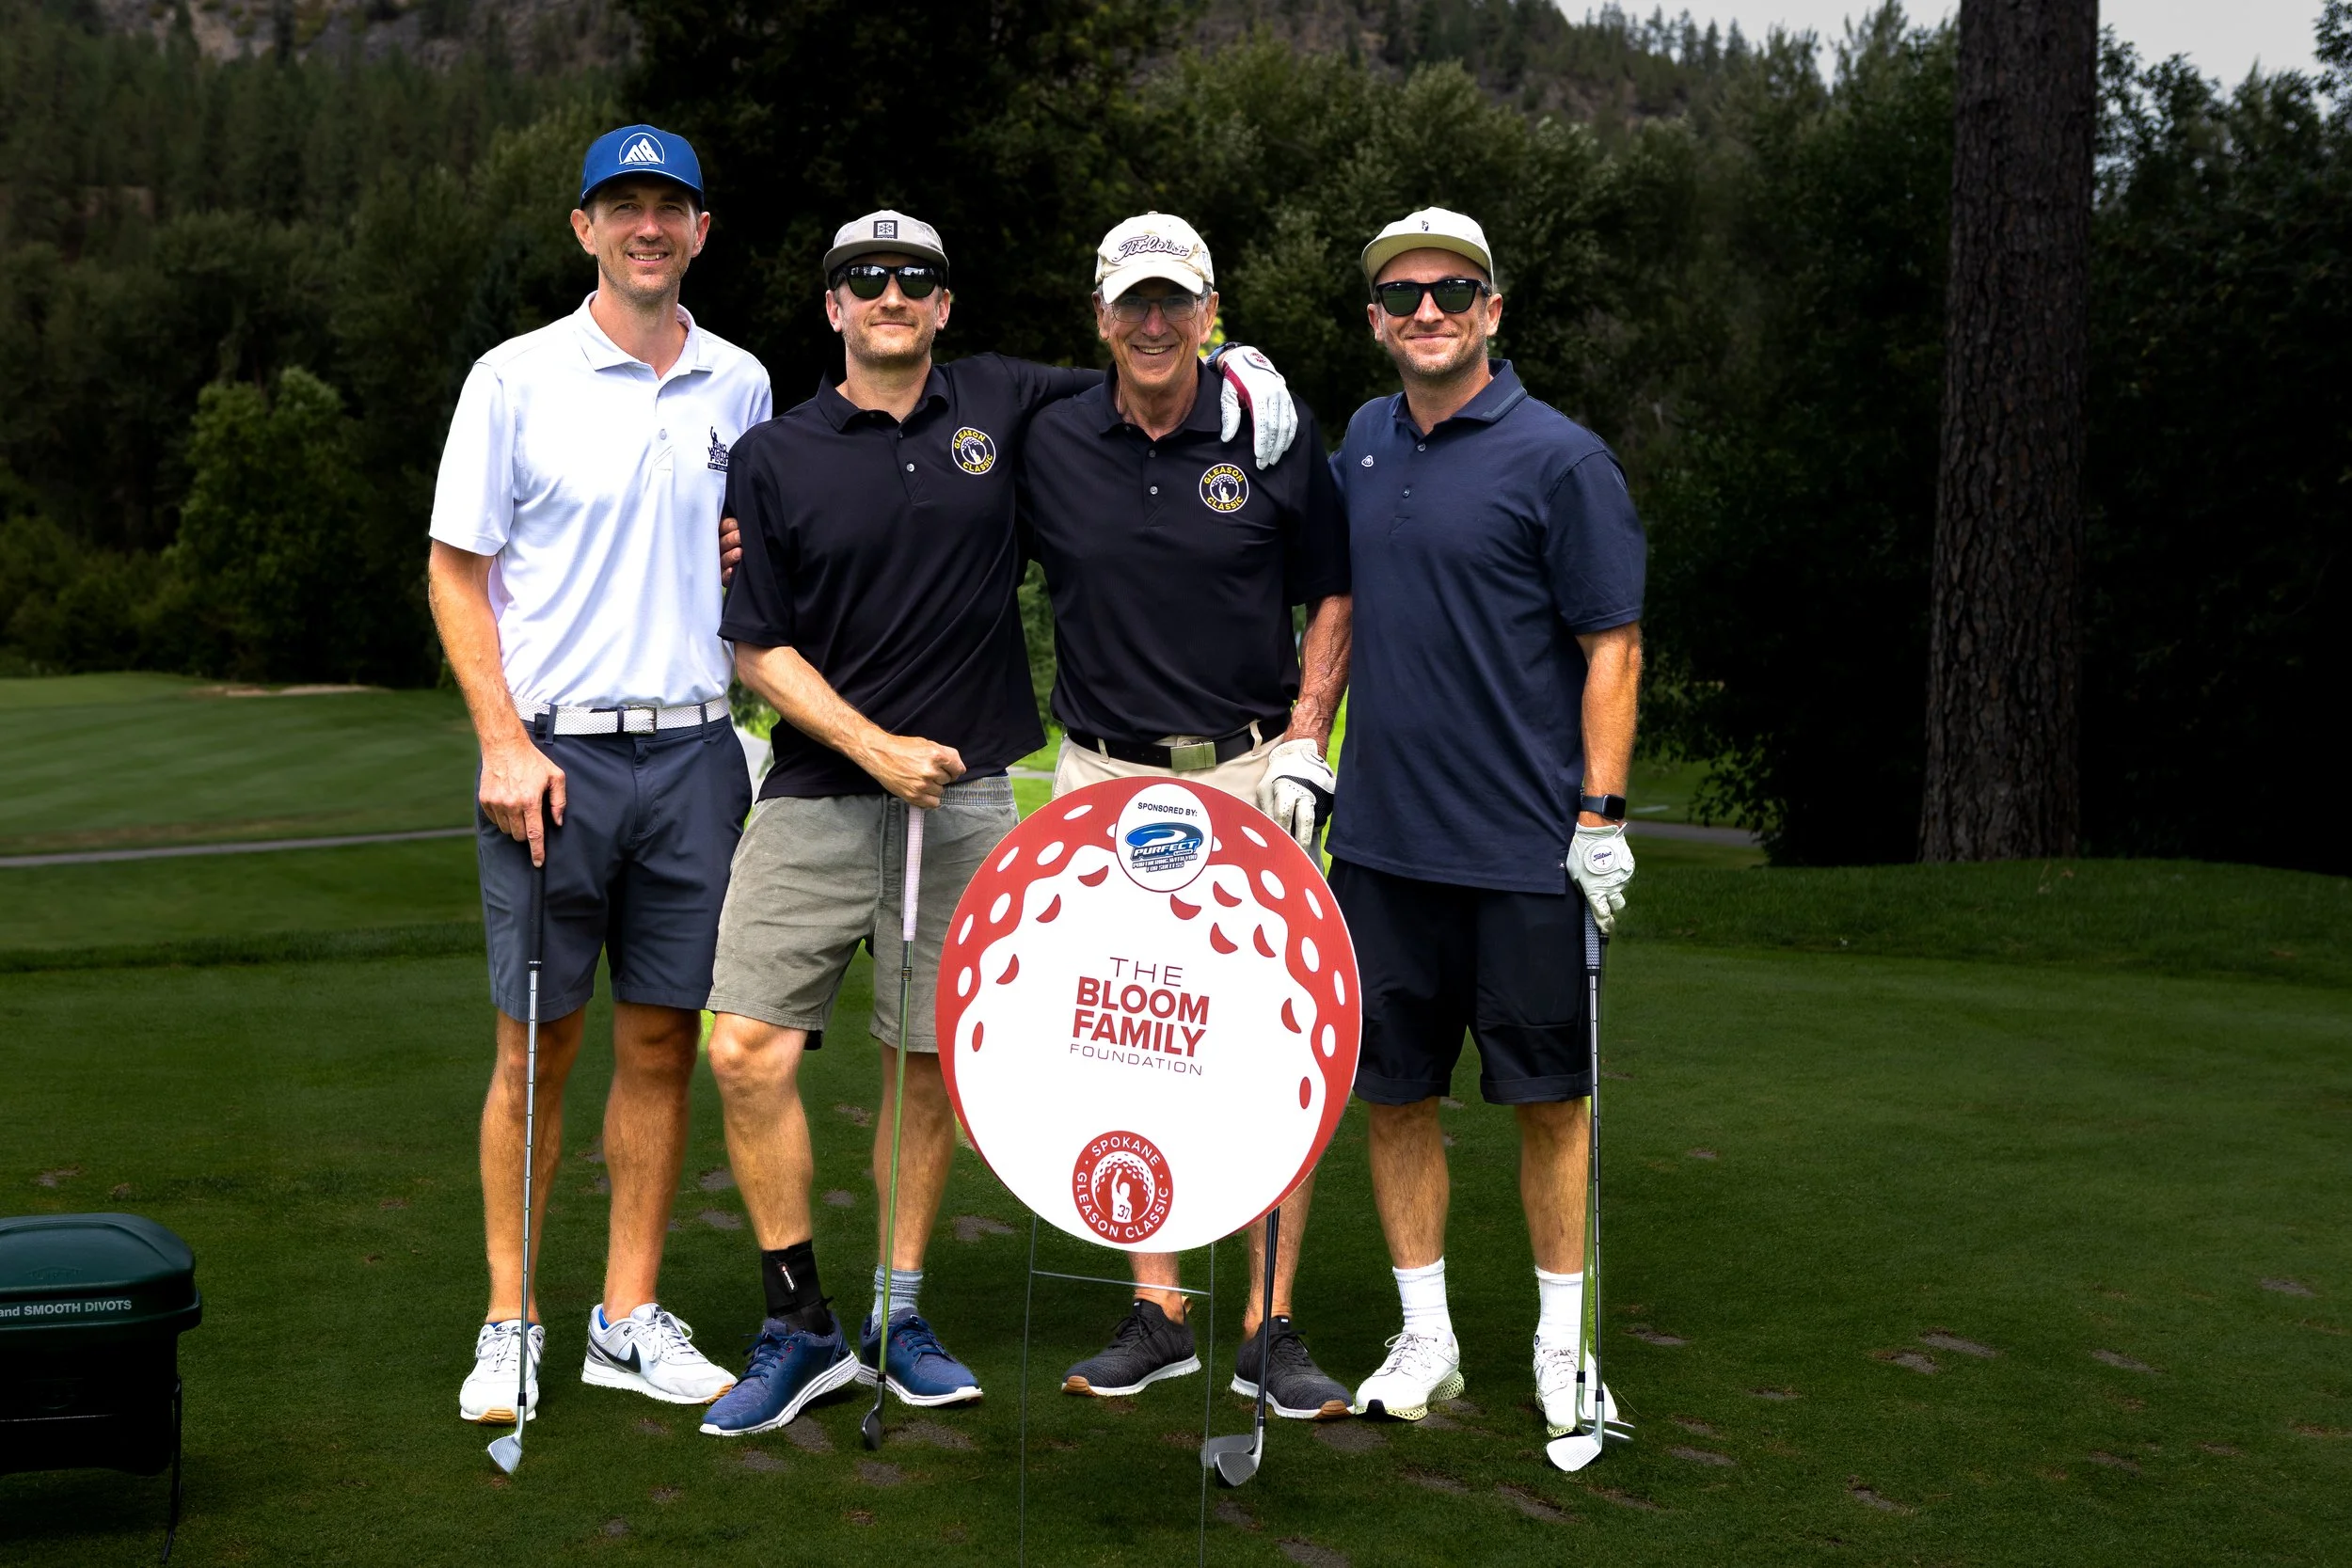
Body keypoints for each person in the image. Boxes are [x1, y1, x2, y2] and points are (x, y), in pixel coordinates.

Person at [695, 212, 1299, 1438]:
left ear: (944, 304)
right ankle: (799, 1319)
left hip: (968, 798)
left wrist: (1240, 361)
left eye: (914, 277)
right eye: (861, 279)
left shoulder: (1005, 405)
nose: (888, 294)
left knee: (929, 1067)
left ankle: (902, 1310)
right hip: (820, 790)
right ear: (830, 308)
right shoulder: (775, 453)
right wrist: (870, 744)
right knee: (744, 1049)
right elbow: (755, 646)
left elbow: (1150, 360)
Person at [430, 125, 767, 1428]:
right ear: (585, 229)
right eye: (621, 206)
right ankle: (511, 1319)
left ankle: (624, 1316)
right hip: (552, 754)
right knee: (537, 1048)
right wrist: (502, 741)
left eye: (668, 207)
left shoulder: (743, 382)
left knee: (662, 1039)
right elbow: (458, 568)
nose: (646, 226)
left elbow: (755, 554)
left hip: (695, 748)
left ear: (698, 230)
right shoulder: (513, 379)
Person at [1019, 212, 1357, 1421]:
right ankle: (1157, 1308)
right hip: (1100, 787)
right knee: (1120, 1036)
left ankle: (1267, 1326)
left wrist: (1311, 730)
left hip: (1248, 772)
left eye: (1177, 304)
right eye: (1132, 304)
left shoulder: (1270, 428)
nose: (1153, 324)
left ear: (1211, 313)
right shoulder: (1050, 435)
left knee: (1274, 1048)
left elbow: (1331, 588)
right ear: (1101, 316)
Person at [1327, 209, 1642, 1437]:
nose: (1427, 313)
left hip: (1523, 852)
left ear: (1493, 309)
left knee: (1549, 1100)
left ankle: (1564, 1351)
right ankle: (1428, 1336)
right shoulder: (1361, 441)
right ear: (1376, 321)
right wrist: (1313, 729)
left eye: (1452, 292)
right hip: (1383, 847)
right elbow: (1343, 600)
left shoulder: (1563, 459)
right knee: (1394, 1094)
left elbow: (1610, 646)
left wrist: (1600, 816)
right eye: (1402, 297)